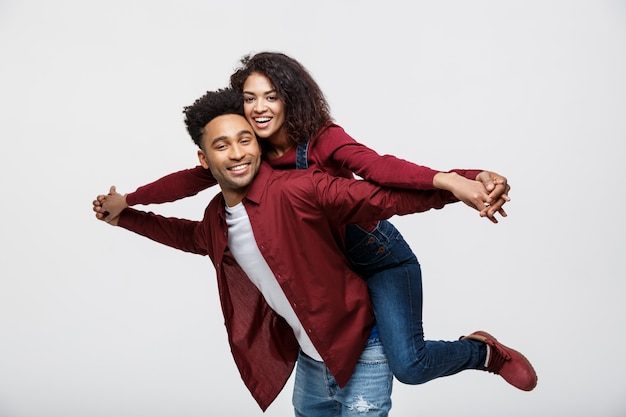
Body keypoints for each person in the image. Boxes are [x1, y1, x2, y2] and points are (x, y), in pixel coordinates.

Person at [96, 52, 536, 392]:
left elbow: (379, 172)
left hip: (374, 257)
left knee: (410, 366)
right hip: (325, 266)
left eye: (271, 96)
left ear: (292, 97)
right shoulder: (245, 152)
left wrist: (458, 180)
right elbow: (187, 182)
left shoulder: (322, 140)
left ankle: (483, 353)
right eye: (250, 98)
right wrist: (128, 202)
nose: (259, 108)